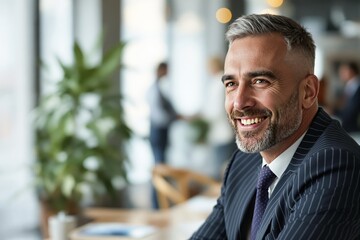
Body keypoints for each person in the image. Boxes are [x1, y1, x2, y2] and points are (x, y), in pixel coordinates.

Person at [191, 14, 360, 240]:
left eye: (260, 81)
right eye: (231, 84)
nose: (239, 102)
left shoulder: (337, 165)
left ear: (308, 92)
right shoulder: (245, 160)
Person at [199, 56, 237, 179]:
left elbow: (216, 110)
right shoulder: (218, 81)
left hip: (222, 132)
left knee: (223, 167)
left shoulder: (218, 82)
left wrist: (202, 117)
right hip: (220, 132)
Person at [147, 62, 178, 165]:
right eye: (166, 70)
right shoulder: (154, 90)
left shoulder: (159, 87)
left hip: (160, 128)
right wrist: (174, 117)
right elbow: (159, 114)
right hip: (158, 128)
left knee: (161, 158)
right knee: (159, 159)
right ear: (161, 70)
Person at [334, 61, 360, 133]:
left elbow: (351, 111)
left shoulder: (356, 86)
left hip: (354, 130)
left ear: (351, 71)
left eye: (343, 71)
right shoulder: (348, 86)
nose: (341, 74)